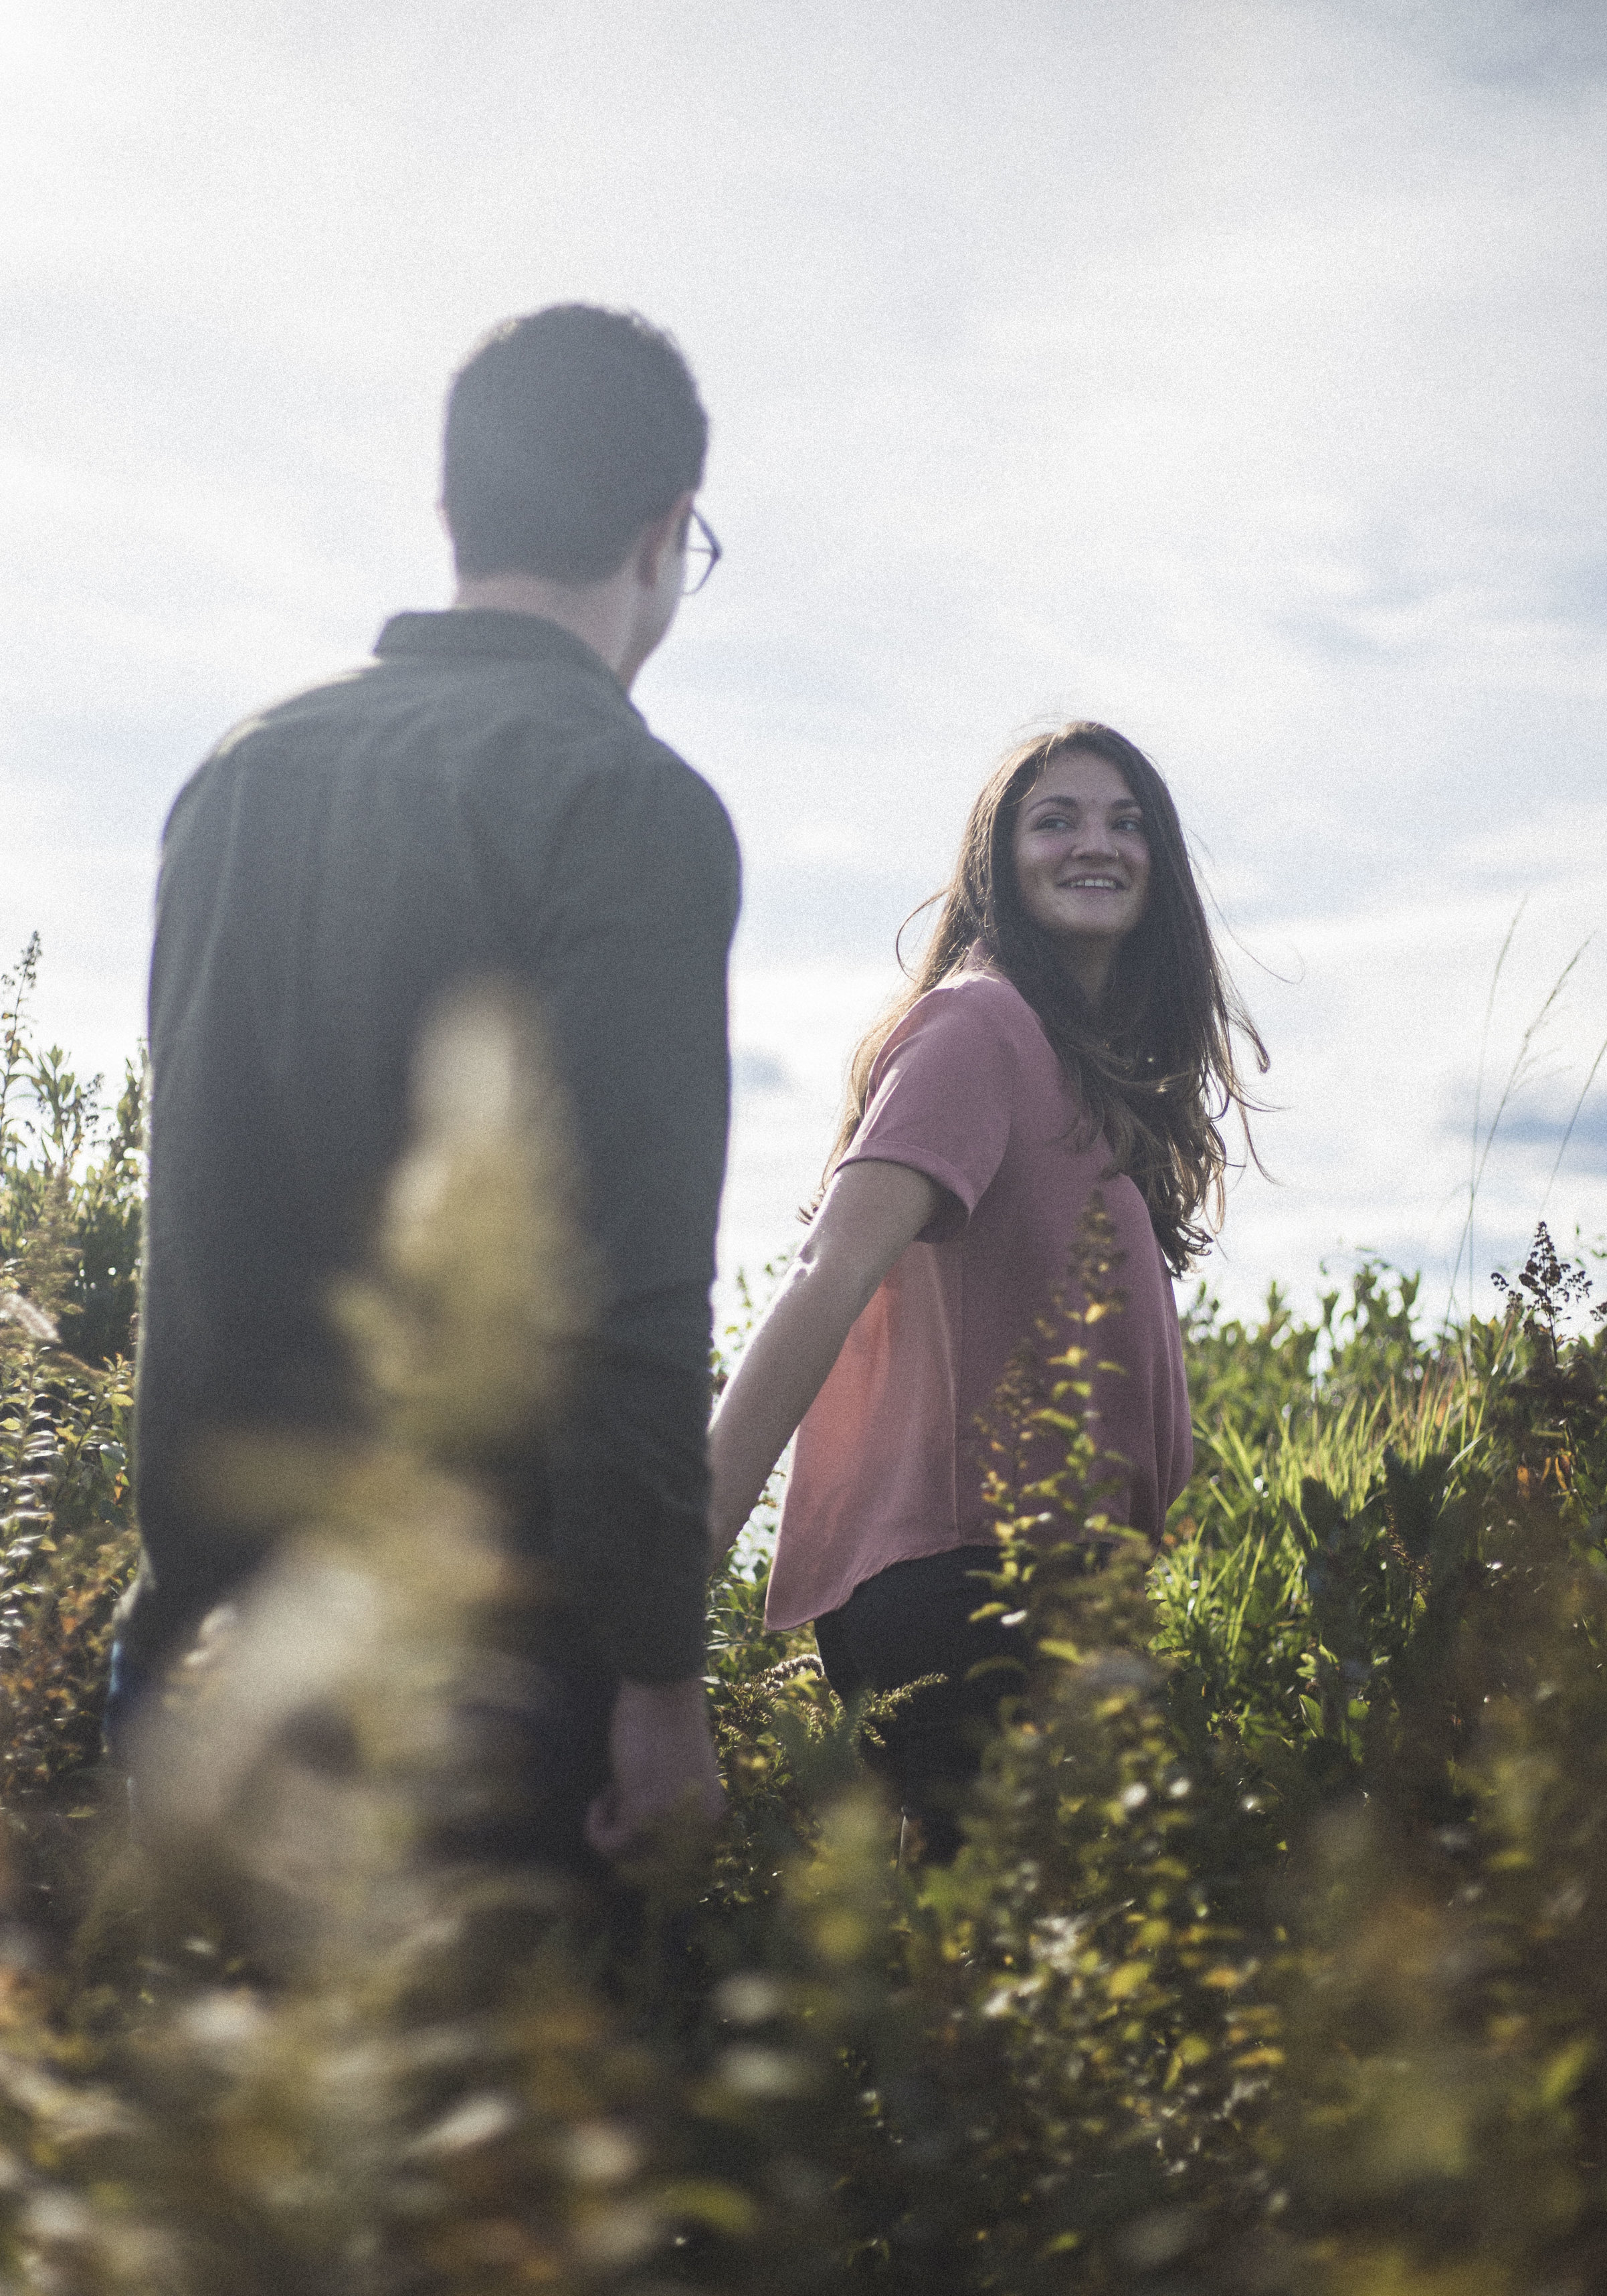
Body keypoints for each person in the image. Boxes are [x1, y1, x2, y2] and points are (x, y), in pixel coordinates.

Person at [110, 304, 738, 1867]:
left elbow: (188, 1230)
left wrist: (179, 1614)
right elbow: (628, 1287)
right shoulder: (628, 802)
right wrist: (659, 1677)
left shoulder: (238, 773)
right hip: (487, 1687)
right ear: (666, 532)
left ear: (455, 505)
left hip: (212, 1642)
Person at [706, 722, 1265, 1856]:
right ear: (997, 863)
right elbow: (828, 1271)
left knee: (974, 1977)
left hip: (1043, 1587)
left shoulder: (1088, 1077)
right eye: (1053, 819)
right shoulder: (980, 1027)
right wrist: (682, 1566)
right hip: (972, 1585)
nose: (1093, 842)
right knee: (1023, 1962)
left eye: (1125, 820)